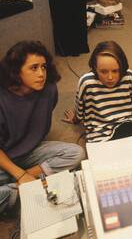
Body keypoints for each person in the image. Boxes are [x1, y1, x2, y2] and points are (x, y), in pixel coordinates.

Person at [0, 40, 84, 215]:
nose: (41, 74)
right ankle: (20, 188)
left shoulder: (49, 90)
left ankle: (16, 189)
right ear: (16, 71)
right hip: (3, 156)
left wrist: (24, 175)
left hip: (30, 152)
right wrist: (20, 175)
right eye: (34, 68)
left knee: (76, 153)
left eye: (44, 67)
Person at [63, 40, 132, 142]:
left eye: (115, 71)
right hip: (97, 129)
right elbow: (80, 105)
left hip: (125, 123)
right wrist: (75, 119)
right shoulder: (86, 82)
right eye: (104, 72)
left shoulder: (128, 76)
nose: (110, 77)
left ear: (122, 67)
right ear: (94, 68)